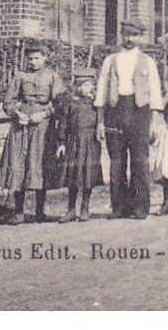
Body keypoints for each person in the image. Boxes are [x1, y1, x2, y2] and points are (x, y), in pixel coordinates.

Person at [94, 19, 164, 219]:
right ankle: (119, 208)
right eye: (126, 34)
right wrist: (100, 121)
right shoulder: (110, 60)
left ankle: (140, 207)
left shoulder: (147, 61)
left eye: (134, 35)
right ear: (121, 35)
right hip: (115, 112)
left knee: (140, 161)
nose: (129, 38)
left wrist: (155, 122)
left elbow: (155, 93)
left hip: (139, 112)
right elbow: (101, 92)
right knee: (117, 162)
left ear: (140, 37)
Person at [0, 48, 66, 223]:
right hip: (22, 124)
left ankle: (39, 211)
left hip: (43, 125)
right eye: (30, 59)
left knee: (38, 162)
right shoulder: (20, 76)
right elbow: (8, 102)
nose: (33, 62)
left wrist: (43, 115)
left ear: (45, 58)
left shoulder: (52, 76)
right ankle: (19, 211)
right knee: (18, 162)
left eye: (37, 58)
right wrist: (17, 113)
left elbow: (60, 103)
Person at [46, 71, 104, 222]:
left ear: (92, 86)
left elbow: (102, 120)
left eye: (87, 84)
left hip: (91, 141)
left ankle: (85, 208)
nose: (84, 88)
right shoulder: (70, 102)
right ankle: (71, 209)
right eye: (81, 85)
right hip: (73, 141)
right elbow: (63, 122)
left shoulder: (97, 103)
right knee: (73, 175)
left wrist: (100, 130)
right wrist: (62, 142)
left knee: (88, 174)